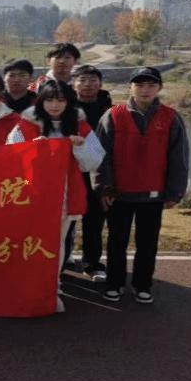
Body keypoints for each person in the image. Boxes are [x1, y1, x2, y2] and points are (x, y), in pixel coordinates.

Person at [95, 66, 189, 305]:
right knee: (116, 241)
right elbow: (100, 155)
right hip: (119, 193)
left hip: (153, 194)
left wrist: (175, 192)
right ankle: (114, 284)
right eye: (139, 85)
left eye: (151, 85)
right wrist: (104, 187)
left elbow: (179, 157)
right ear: (130, 87)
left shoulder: (171, 117)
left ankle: (142, 285)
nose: (145, 90)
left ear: (159, 88)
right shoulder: (113, 115)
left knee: (148, 243)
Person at [7, 80, 104, 311]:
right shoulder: (27, 123)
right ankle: (27, 284)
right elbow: (10, 156)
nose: (54, 105)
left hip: (64, 195)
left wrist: (79, 147)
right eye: (49, 99)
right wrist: (33, 149)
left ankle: (52, 286)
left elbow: (95, 161)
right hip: (32, 195)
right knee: (29, 240)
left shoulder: (79, 125)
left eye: (60, 100)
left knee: (56, 242)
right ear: (41, 101)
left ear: (69, 102)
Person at [72, 64, 114, 281]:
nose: (87, 85)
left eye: (92, 80)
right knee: (65, 219)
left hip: (99, 171)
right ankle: (61, 260)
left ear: (100, 84)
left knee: (95, 220)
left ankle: (92, 263)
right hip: (71, 172)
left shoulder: (111, 111)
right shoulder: (65, 108)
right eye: (82, 80)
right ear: (74, 84)